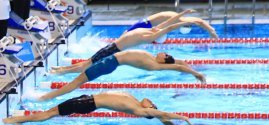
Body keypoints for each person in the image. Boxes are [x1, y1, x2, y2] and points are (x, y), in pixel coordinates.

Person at [51, 9, 198, 75]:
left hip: (113, 50)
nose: (163, 52)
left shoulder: (150, 36)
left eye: (164, 54)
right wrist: (183, 14)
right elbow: (169, 22)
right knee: (86, 62)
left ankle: (60, 72)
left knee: (86, 65)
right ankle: (60, 70)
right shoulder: (152, 32)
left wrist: (184, 19)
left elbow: (171, 26)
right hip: (112, 48)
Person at [39, 50, 206, 101]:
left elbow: (177, 66)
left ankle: (45, 97)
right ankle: (55, 73)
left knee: (75, 84)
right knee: (78, 76)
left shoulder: (154, 64)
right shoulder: (154, 59)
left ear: (164, 60)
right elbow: (178, 62)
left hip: (108, 64)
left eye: (166, 55)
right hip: (110, 62)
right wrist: (194, 71)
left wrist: (196, 73)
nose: (164, 52)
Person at [3, 91, 194, 125]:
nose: (150, 101)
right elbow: (161, 117)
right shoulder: (137, 101)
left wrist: (181, 117)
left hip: (86, 104)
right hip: (87, 101)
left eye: (152, 104)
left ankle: (15, 120)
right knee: (50, 112)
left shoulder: (140, 110)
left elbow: (162, 114)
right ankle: (22, 118)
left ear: (150, 110)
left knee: (49, 114)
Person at [127, 11, 218, 38]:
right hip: (145, 24)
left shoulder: (179, 20)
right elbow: (199, 21)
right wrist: (211, 30)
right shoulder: (179, 19)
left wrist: (210, 30)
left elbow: (198, 21)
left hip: (146, 23)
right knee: (126, 36)